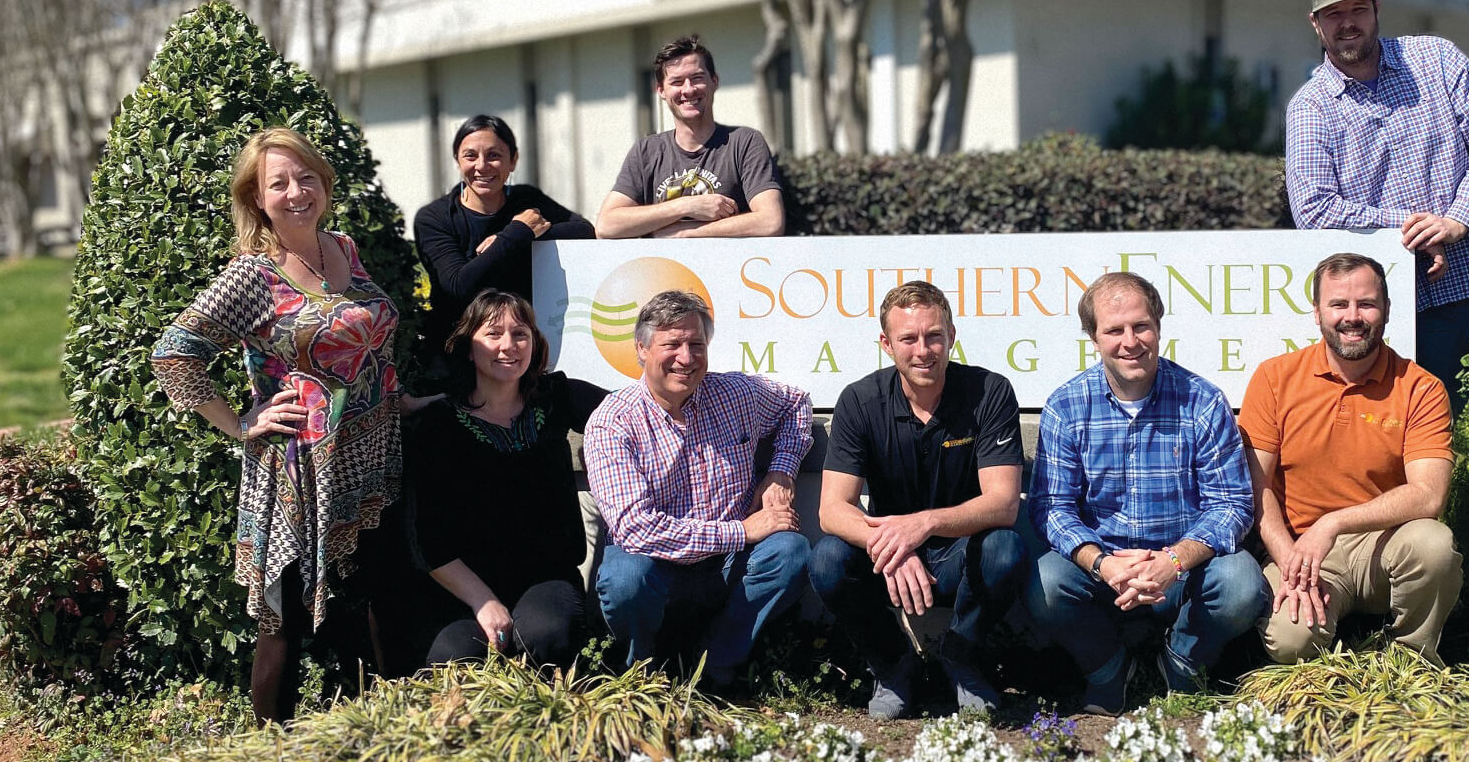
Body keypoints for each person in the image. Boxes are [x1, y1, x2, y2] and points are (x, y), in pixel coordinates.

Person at [151, 127, 436, 724]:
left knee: (374, 599)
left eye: (305, 176)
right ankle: (269, 755)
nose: (295, 191)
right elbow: (174, 351)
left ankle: (377, 735)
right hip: (299, 469)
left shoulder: (345, 249)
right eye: (277, 183)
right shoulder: (253, 276)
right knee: (282, 618)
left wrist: (396, 396)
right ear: (257, 199)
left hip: (373, 451)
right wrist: (238, 423)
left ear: (324, 183)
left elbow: (371, 342)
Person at [1025, 272, 1266, 715]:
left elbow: (1232, 505)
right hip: (1104, 573)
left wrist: (1173, 561)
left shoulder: (1203, 401)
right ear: (1093, 339)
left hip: (1185, 570)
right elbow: (1051, 508)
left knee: (1242, 583)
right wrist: (1103, 562)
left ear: (1159, 327)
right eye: (1114, 330)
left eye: (1141, 326)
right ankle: (1109, 670)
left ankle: (1181, 664)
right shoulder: (1067, 405)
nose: (1130, 341)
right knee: (1045, 582)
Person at [1285, 0, 1469, 406]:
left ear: (1377, 11)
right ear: (1316, 24)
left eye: (1358, 9)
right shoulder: (1310, 108)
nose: (1347, 23)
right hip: (1392, 316)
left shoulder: (1437, 60)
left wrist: (1456, 221)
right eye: (1334, 14)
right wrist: (1414, 229)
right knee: (1417, 442)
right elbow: (1315, 210)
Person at [811, 282, 1026, 719]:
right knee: (827, 560)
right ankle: (893, 666)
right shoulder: (859, 400)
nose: (923, 350)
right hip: (887, 561)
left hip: (961, 554)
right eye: (909, 338)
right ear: (887, 345)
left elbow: (1003, 503)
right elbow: (833, 510)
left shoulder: (990, 391)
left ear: (952, 336)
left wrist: (922, 524)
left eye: (934, 336)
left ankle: (961, 659)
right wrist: (892, 543)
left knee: (1007, 548)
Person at [1238, 252, 1462, 667]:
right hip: (1300, 548)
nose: (1352, 316)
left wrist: (1334, 522)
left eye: (1366, 304)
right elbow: (1257, 487)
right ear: (1317, 312)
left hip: (1385, 543)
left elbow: (1429, 496)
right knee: (1291, 643)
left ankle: (1412, 659)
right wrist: (1288, 560)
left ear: (1388, 310)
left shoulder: (1421, 388)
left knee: (1434, 545)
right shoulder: (1275, 378)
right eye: (1339, 304)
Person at [584, 289, 812, 691]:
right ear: (641, 349)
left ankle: (717, 665)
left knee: (789, 552)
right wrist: (742, 531)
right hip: (655, 567)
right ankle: (643, 674)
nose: (686, 358)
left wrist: (781, 471)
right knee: (625, 577)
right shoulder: (612, 423)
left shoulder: (737, 394)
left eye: (696, 344)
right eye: (671, 344)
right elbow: (636, 530)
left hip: (726, 567)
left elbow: (797, 404)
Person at [403, 289, 609, 671]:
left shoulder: (556, 397)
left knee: (547, 639)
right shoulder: (438, 425)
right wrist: (484, 601)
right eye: (493, 334)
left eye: (520, 334)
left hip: (544, 575)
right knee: (457, 660)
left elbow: (636, 414)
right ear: (468, 347)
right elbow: (426, 541)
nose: (508, 346)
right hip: (461, 584)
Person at [412, 114, 593, 379]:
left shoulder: (526, 199)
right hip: (460, 355)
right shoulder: (435, 218)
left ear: (513, 160)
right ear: (457, 161)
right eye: (470, 156)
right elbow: (459, 285)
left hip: (523, 350)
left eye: (494, 155)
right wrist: (517, 233)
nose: (482, 166)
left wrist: (516, 236)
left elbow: (584, 231)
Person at [596, 34, 785, 239]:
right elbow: (607, 226)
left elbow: (770, 221)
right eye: (676, 82)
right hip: (661, 271)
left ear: (714, 81)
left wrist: (687, 233)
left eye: (696, 78)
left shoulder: (744, 142)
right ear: (660, 90)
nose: (688, 89)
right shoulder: (646, 151)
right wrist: (687, 206)